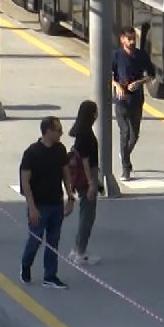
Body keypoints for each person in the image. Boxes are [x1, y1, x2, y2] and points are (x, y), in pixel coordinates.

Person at [18, 116, 76, 289]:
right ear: (48, 131)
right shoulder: (32, 153)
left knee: (53, 240)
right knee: (35, 239)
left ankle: (50, 276)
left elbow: (66, 173)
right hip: (39, 204)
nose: (61, 133)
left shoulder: (60, 150)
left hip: (56, 202)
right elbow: (25, 181)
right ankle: (26, 265)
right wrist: (32, 207)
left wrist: (70, 196)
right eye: (58, 130)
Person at [110, 27, 155, 181]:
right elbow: (108, 75)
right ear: (122, 39)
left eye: (133, 38)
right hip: (121, 100)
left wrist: (140, 82)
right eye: (129, 38)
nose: (132, 41)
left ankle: (124, 153)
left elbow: (151, 75)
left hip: (136, 99)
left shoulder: (141, 55)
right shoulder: (116, 55)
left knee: (134, 135)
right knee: (125, 133)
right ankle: (126, 168)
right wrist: (116, 86)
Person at [67, 100, 102, 266]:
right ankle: (81, 252)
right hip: (87, 177)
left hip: (81, 178)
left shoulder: (80, 133)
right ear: (92, 114)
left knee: (84, 213)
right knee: (87, 216)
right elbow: (87, 162)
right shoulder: (86, 135)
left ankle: (77, 248)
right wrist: (92, 183)